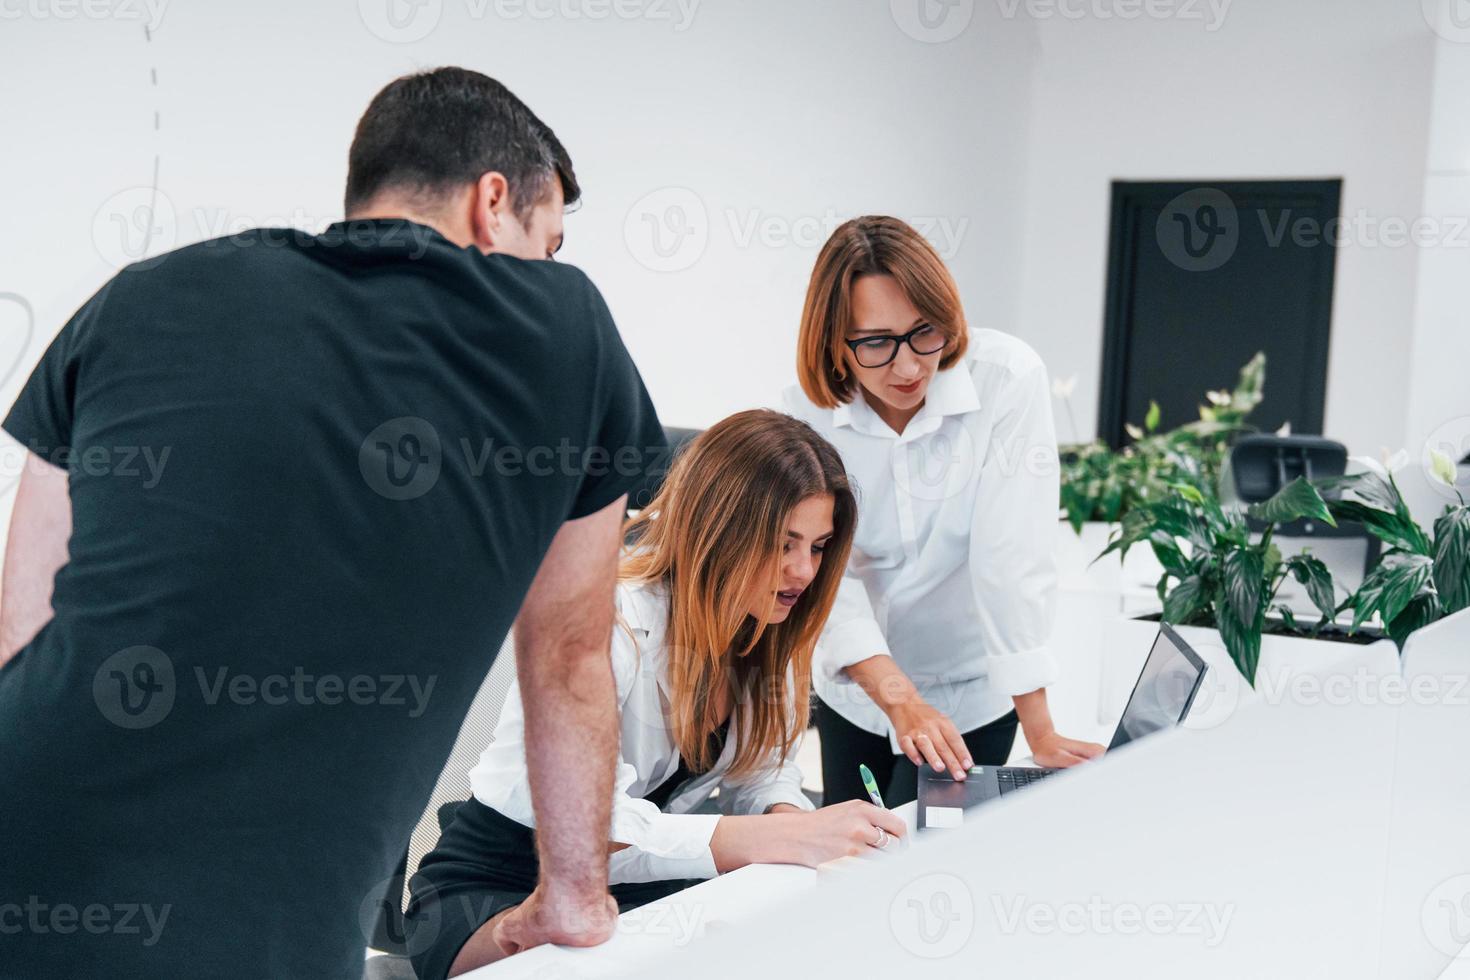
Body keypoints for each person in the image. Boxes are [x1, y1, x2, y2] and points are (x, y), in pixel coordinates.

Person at [0, 67, 662, 978]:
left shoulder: (140, 293)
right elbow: (569, 653)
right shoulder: (564, 324)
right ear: (491, 202)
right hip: (252, 926)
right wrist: (575, 899)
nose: (549, 271)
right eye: (546, 244)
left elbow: (22, 624)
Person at [407, 410, 907, 978]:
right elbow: (590, 824)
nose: (802, 571)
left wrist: (796, 825)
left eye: (818, 547)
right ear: (718, 530)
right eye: (782, 543)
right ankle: (527, 932)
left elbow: (760, 775)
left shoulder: (766, 634)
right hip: (497, 885)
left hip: (630, 891)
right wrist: (783, 835)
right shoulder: (609, 620)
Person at [783, 215, 1105, 808]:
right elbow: (829, 571)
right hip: (860, 686)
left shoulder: (1007, 378)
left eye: (923, 332)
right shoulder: (808, 410)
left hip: (971, 694)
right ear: (834, 340)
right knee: (849, 856)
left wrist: (1041, 731)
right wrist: (898, 698)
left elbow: (1009, 557)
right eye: (876, 342)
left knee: (927, 862)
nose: (909, 367)